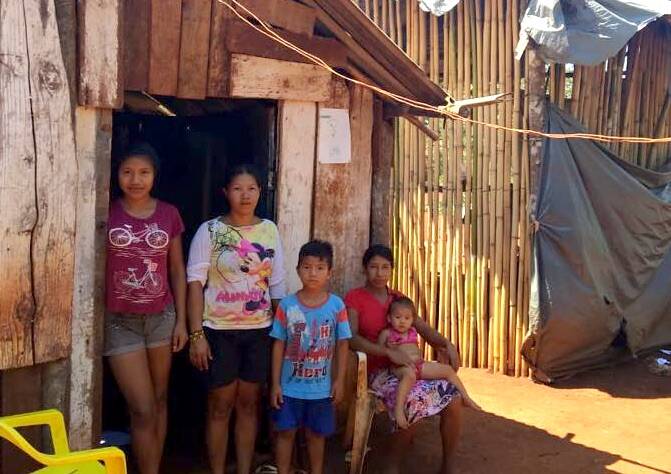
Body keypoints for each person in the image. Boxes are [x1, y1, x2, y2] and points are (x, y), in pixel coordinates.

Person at [187, 164, 286, 474]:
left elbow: (278, 286)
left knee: (249, 405)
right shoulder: (210, 230)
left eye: (251, 189)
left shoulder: (269, 230)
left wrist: (282, 336)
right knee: (219, 406)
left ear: (260, 192)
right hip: (218, 330)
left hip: (259, 331)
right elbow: (194, 284)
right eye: (237, 189)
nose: (245, 196)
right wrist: (196, 335)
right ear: (225, 192)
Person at [104, 142, 188, 474]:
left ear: (154, 175)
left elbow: (178, 270)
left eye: (143, 172)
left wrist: (181, 321)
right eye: (127, 172)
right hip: (119, 321)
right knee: (141, 408)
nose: (135, 180)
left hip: (161, 318)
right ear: (117, 175)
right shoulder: (107, 212)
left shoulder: (169, 214)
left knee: (159, 400)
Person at [344, 244, 463, 474]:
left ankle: (448, 464)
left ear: (392, 270)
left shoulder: (398, 299)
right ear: (364, 269)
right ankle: (393, 465)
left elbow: (424, 329)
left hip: (412, 369)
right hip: (378, 373)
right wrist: (387, 352)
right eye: (374, 267)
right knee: (414, 400)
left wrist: (446, 343)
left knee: (454, 398)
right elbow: (352, 338)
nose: (379, 273)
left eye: (385, 267)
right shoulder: (355, 298)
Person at [269, 240, 351, 474]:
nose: (312, 273)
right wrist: (276, 384)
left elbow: (343, 344)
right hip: (290, 388)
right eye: (306, 267)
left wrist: (339, 380)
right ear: (297, 270)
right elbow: (278, 344)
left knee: (317, 436)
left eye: (319, 268)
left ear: (329, 272)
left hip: (321, 389)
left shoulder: (337, 306)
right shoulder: (287, 305)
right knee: (285, 434)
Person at [379, 296, 480, 429]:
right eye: (397, 317)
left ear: (412, 320)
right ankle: (398, 409)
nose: (402, 321)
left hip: (419, 365)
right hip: (400, 367)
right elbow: (379, 350)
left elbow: (426, 339)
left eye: (407, 318)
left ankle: (466, 397)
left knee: (448, 370)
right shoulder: (387, 333)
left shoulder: (413, 332)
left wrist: (443, 347)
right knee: (409, 375)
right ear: (389, 318)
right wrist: (389, 349)